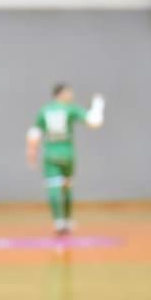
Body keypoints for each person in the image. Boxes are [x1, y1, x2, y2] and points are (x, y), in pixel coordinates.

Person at [26, 84, 104, 235]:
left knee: (53, 186)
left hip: (50, 154)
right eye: (68, 92)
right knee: (67, 186)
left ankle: (58, 222)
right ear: (60, 93)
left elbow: (34, 133)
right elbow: (94, 122)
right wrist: (98, 106)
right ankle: (67, 221)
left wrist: (31, 152)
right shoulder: (70, 109)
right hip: (67, 154)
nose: (71, 95)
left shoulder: (44, 110)